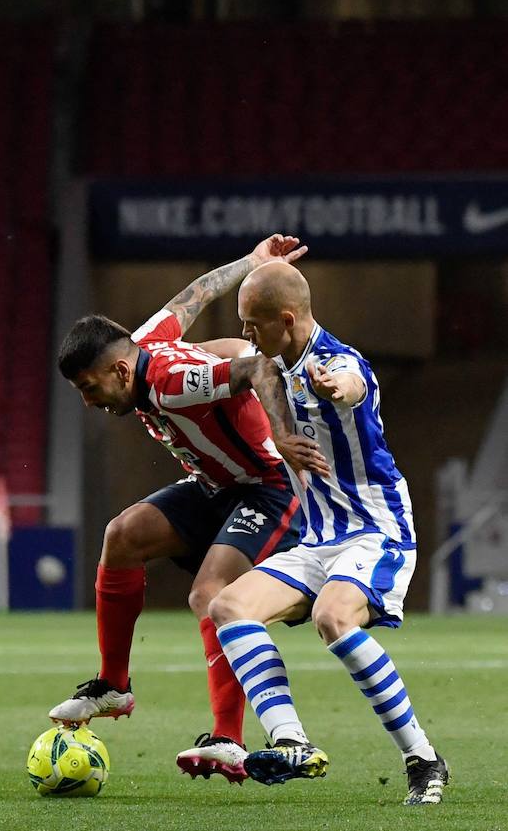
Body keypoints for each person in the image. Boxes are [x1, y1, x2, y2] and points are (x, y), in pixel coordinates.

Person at [49, 234, 323, 784]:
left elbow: (259, 371)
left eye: (89, 387)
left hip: (270, 486)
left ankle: (229, 738)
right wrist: (252, 261)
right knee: (122, 535)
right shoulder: (143, 341)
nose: (89, 402)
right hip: (216, 483)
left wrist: (284, 436)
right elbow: (193, 296)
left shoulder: (174, 385)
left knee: (209, 592)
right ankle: (114, 686)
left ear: (122, 372)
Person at [204, 260, 447, 805]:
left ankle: (424, 760)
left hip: (374, 530)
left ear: (287, 320)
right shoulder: (270, 357)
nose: (246, 334)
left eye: (253, 324)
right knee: (227, 608)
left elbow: (353, 384)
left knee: (331, 617)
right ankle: (291, 741)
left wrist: (336, 388)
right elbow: (235, 356)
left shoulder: (338, 362)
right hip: (317, 538)